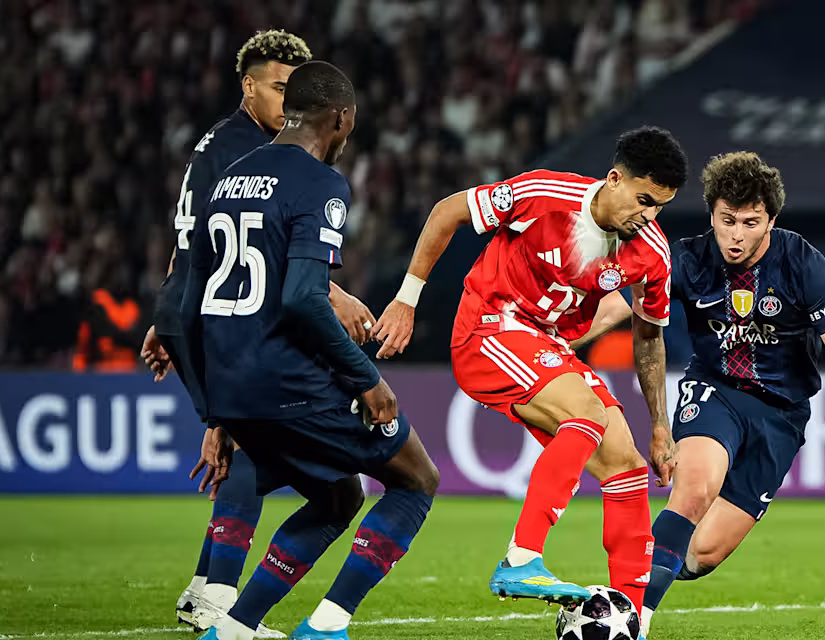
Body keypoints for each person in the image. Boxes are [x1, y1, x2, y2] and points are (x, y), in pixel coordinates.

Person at [598, 151, 825, 637]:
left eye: (750, 223)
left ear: (771, 219)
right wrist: (550, 334)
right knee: (694, 489)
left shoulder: (801, 262)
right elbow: (611, 308)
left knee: (704, 553)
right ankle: (633, 622)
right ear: (711, 213)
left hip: (780, 415)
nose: (736, 235)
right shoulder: (685, 258)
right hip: (714, 390)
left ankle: (650, 565)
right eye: (727, 220)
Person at [370, 127, 688, 610]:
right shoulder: (543, 194)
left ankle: (631, 613)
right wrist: (405, 301)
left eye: (660, 206)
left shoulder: (651, 253)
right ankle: (522, 560)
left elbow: (649, 336)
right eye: (644, 200)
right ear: (614, 178)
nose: (648, 216)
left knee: (625, 462)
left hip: (546, 346)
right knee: (585, 413)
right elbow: (448, 211)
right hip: (487, 329)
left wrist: (661, 426)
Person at [180, 61, 440, 640]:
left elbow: (188, 306)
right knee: (416, 478)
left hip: (231, 384)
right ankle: (325, 627)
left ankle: (234, 625)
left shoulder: (229, 179)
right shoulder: (321, 183)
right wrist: (365, 378)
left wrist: (215, 413)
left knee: (338, 494)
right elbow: (302, 298)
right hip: (287, 383)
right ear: (341, 118)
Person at [139, 30, 375, 637]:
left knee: (245, 440)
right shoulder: (245, 150)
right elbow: (249, 256)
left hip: (195, 305)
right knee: (244, 444)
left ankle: (204, 589)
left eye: (294, 89)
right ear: (248, 86)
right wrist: (337, 292)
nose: (287, 98)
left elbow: (197, 239)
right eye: (277, 87)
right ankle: (218, 600)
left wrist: (167, 308)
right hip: (215, 313)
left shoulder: (223, 144)